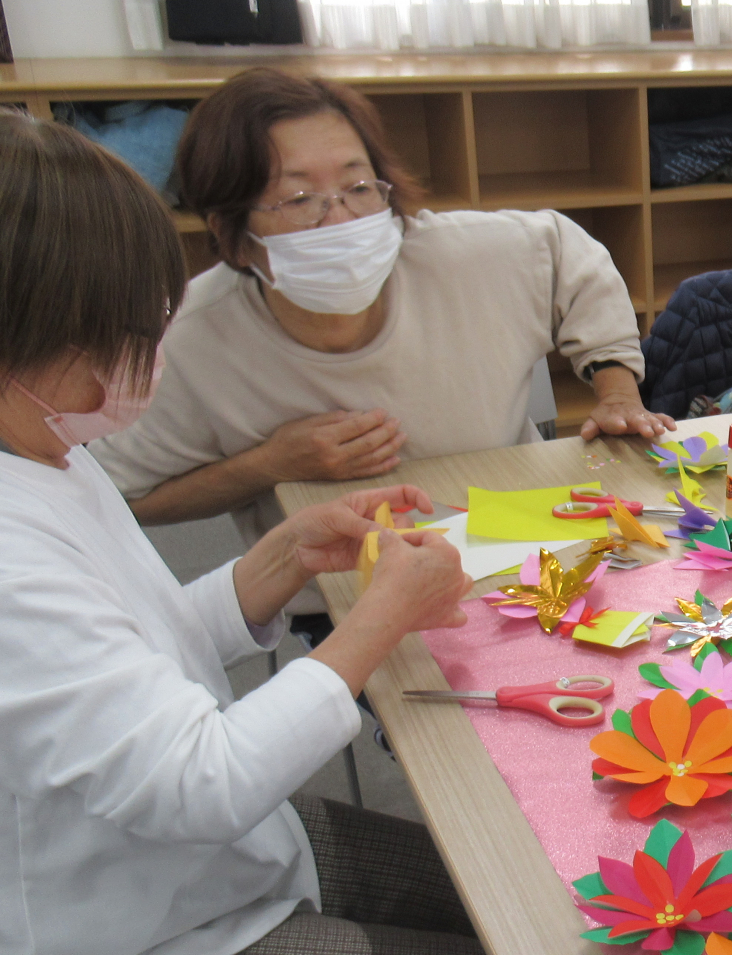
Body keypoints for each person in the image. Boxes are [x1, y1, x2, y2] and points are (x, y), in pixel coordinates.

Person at [0, 106, 532, 955]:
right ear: (7, 332)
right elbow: (196, 780)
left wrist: (278, 561)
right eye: (121, 334)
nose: (145, 361)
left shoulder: (16, 435)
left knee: (519, 894)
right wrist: (378, 622)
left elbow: (132, 651)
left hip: (184, 862)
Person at [89, 68, 672, 624]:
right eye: (299, 198)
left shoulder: (464, 257)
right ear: (231, 234)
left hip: (523, 555)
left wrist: (616, 388)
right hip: (349, 599)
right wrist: (267, 465)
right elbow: (122, 495)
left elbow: (572, 258)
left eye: (359, 187)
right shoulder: (191, 339)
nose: (341, 219)